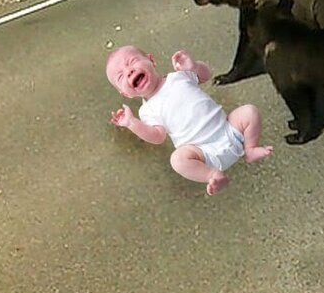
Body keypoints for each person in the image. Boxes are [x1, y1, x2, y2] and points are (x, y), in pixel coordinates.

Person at [106, 45, 273, 196]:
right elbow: (157, 136)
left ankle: (250, 149)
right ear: (126, 94)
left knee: (249, 112)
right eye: (121, 76)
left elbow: (205, 76)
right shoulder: (147, 111)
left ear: (151, 60)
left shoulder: (178, 77)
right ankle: (212, 175)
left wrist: (194, 67)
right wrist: (131, 123)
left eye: (132, 62)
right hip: (203, 154)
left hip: (229, 130)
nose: (129, 71)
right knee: (178, 160)